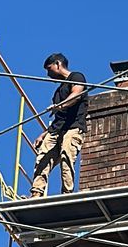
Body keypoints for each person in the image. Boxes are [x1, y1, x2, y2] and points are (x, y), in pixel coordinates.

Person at [31, 53, 88, 197]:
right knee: (43, 156)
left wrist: (60, 106)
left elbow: (76, 95)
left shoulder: (76, 77)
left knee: (66, 155)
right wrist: (43, 134)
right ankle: (36, 193)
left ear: (58, 64)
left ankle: (67, 193)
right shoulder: (57, 92)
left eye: (49, 69)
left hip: (73, 127)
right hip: (57, 129)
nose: (48, 74)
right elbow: (58, 118)